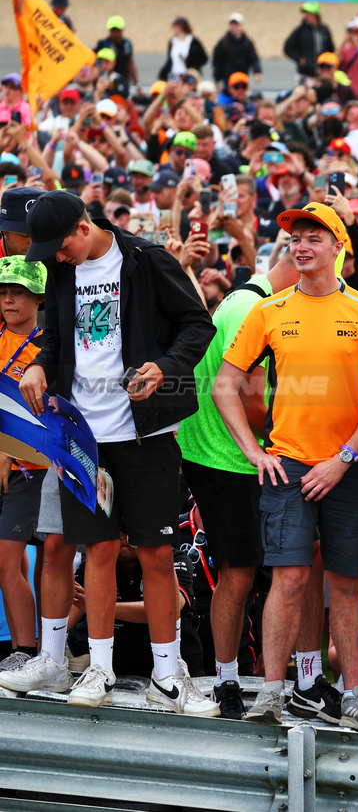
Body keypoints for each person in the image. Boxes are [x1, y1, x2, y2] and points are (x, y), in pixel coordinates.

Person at [16, 190, 216, 715]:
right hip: (84, 438)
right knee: (98, 551)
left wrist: (166, 367)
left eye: (60, 247)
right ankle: (99, 669)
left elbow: (199, 324)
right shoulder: (62, 271)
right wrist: (38, 363)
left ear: (83, 228)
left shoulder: (147, 260)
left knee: (154, 552)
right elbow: (57, 340)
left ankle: (169, 674)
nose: (57, 259)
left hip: (145, 433)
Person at [213, 202, 358, 731]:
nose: (301, 244)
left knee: (344, 579)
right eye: (295, 237)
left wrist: (343, 459)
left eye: (314, 236)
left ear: (339, 247)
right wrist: (254, 451)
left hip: (349, 467)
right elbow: (226, 385)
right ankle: (272, 691)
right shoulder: (268, 310)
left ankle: (354, 692)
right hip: (288, 465)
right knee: (288, 579)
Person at [177, 247, 300, 720]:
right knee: (241, 573)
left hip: (217, 451)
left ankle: (266, 677)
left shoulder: (245, 296)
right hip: (231, 456)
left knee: (260, 571)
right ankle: (229, 681)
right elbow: (253, 405)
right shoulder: (260, 306)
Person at [0, 256, 47, 674]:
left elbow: (44, 417)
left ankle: (29, 650)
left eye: (17, 291)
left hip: (32, 469)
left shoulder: (46, 346)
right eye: (3, 291)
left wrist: (7, 451)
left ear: (38, 296)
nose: (9, 298)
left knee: (13, 559)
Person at [283, 3, 335, 80]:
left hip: (322, 73)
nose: (306, 16)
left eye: (309, 14)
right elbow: (287, 47)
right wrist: (299, 58)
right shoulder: (300, 30)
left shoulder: (324, 29)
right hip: (305, 74)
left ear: (315, 15)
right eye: (305, 14)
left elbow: (331, 49)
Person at [211, 14, 262, 89]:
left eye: (236, 24)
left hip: (243, 76)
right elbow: (217, 61)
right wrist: (217, 79)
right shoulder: (224, 42)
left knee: (241, 93)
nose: (234, 26)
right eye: (232, 24)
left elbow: (254, 58)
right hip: (228, 77)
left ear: (242, 25)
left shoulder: (247, 42)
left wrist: (257, 72)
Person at [95, 17, 138, 96]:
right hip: (106, 78)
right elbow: (92, 60)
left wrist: (137, 85)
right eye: (113, 30)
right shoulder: (103, 44)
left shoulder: (127, 44)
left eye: (118, 30)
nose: (116, 33)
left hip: (123, 79)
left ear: (122, 30)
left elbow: (131, 63)